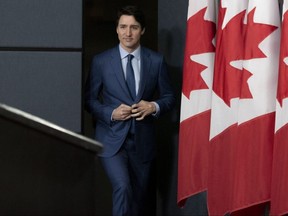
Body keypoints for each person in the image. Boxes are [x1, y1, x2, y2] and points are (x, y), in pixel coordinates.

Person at [85, 5, 175, 216]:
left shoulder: (156, 61)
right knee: (123, 186)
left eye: (133, 27)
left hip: (143, 142)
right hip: (112, 139)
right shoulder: (101, 62)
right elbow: (89, 100)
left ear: (142, 30)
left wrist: (153, 106)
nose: (127, 33)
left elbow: (169, 98)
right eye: (123, 27)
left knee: (139, 200)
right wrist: (110, 113)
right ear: (116, 29)